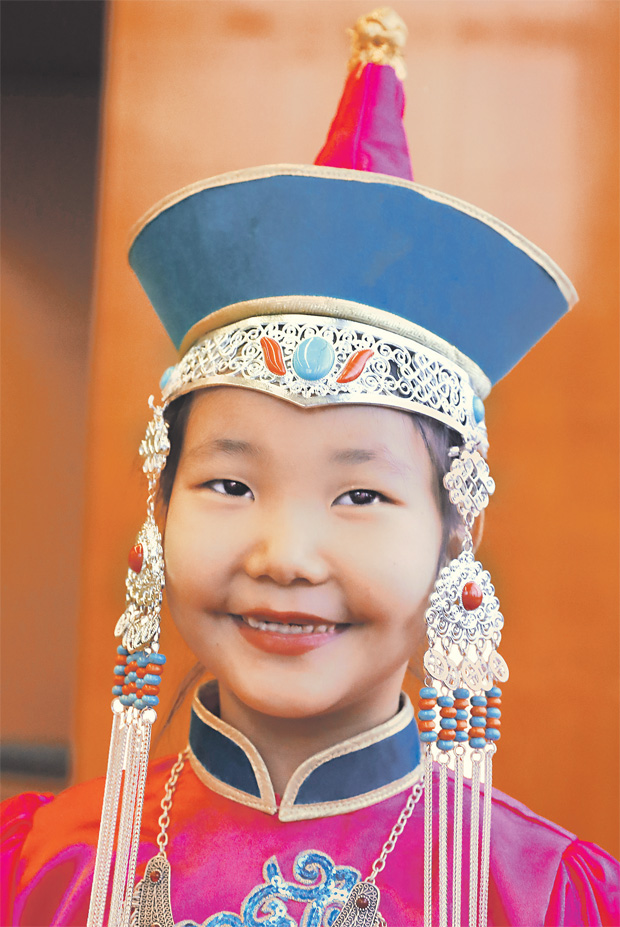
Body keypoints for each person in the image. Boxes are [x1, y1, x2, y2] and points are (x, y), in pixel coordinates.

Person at [1, 9, 618, 927]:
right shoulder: (46, 867)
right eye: (230, 484)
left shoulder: (544, 896)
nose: (286, 555)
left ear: (455, 534)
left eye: (361, 493)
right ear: (159, 507)